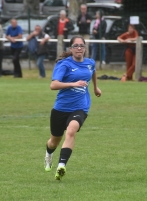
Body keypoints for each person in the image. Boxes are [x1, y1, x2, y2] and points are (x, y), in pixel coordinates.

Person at [44, 36, 102, 180]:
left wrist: (95, 87)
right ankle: (49, 154)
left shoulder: (90, 63)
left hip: (80, 107)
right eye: (76, 46)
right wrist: (73, 84)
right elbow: (53, 85)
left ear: (85, 48)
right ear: (70, 49)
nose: (79, 48)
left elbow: (93, 71)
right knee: (54, 141)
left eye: (81, 46)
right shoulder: (64, 64)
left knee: (71, 131)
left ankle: (61, 166)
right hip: (61, 108)